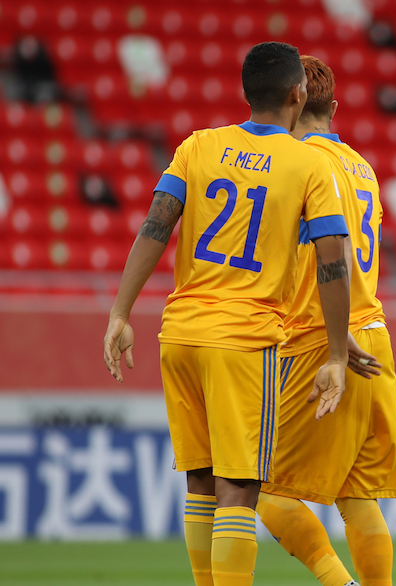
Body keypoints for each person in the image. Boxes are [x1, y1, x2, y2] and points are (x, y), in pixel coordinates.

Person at [102, 42, 352, 586]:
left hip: (181, 333)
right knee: (240, 488)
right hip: (243, 338)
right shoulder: (311, 163)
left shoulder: (199, 146)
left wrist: (121, 312)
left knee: (201, 481)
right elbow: (333, 261)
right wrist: (336, 352)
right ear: (298, 93)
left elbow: (156, 226)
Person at [254, 56, 396, 586]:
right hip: (374, 335)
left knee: (267, 493)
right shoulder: (362, 167)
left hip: (323, 337)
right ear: (333, 107)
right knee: (358, 495)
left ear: (290, 102)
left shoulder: (294, 163)